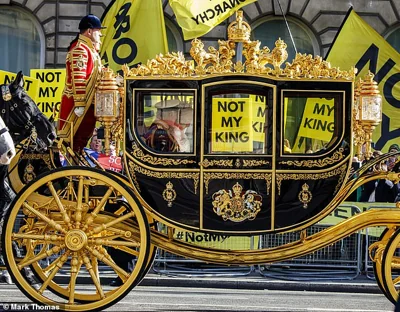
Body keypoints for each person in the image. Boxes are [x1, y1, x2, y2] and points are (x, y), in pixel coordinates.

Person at [58, 14, 105, 152]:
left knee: (82, 138)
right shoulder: (80, 49)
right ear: (89, 32)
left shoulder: (89, 49)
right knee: (76, 138)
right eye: (98, 30)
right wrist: (79, 104)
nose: (100, 34)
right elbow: (78, 78)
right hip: (78, 106)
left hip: (89, 103)